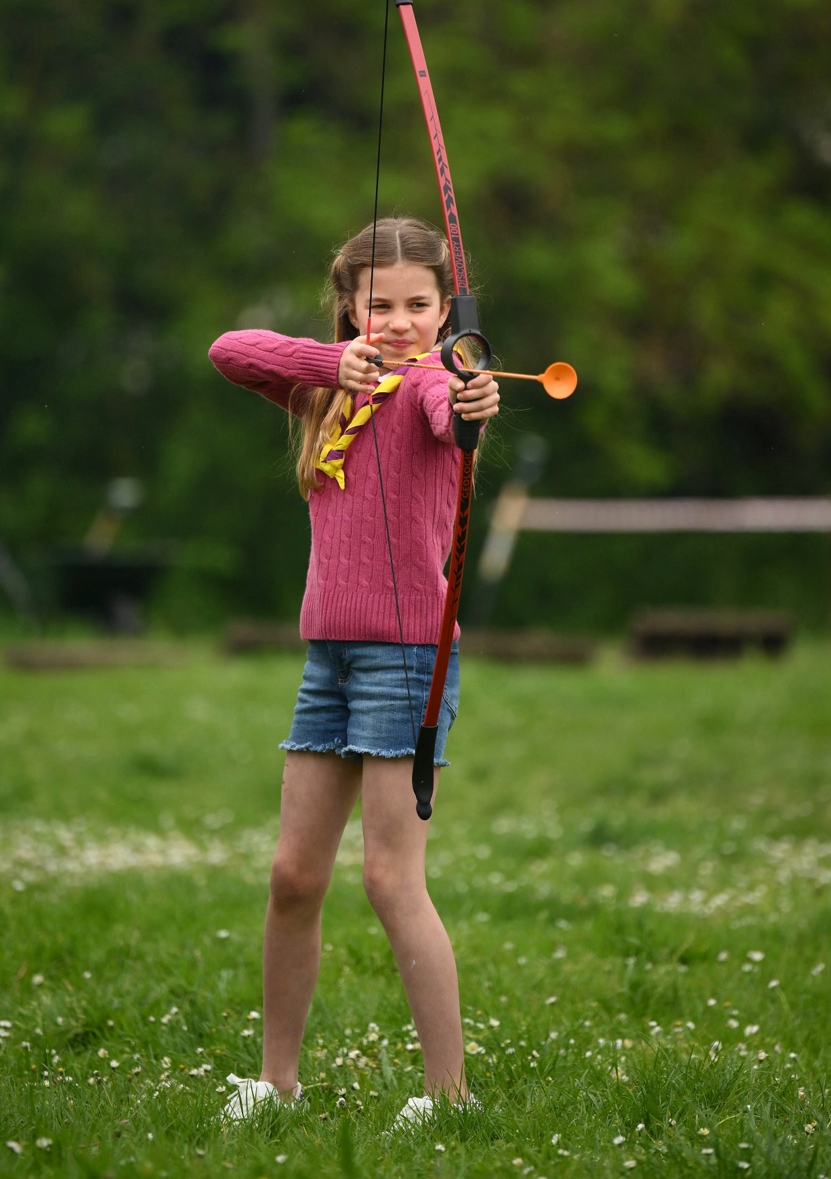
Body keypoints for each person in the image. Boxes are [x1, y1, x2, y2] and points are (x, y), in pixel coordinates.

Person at [208, 217, 499, 1128]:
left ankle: (448, 1096)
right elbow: (230, 349)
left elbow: (450, 416)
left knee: (386, 878)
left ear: (447, 310)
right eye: (381, 305)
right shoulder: (330, 389)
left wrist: (469, 395)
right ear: (349, 308)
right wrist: (330, 361)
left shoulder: (427, 389)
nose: (402, 321)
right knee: (294, 874)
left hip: (408, 659)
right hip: (327, 659)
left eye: (420, 305)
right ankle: (275, 1083)